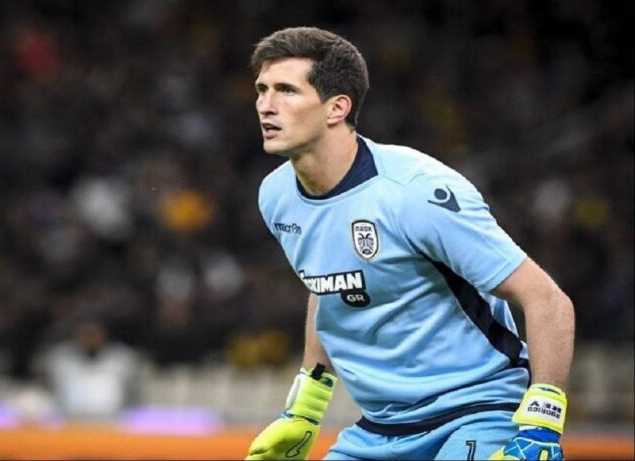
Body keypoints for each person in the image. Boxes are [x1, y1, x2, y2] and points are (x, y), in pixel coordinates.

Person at [245, 27, 575, 461]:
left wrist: (542, 429)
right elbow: (328, 288)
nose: (266, 105)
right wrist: (306, 407)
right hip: (379, 427)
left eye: (286, 90)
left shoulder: (415, 193)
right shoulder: (276, 196)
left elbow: (547, 299)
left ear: (337, 108)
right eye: (262, 89)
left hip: (477, 411)